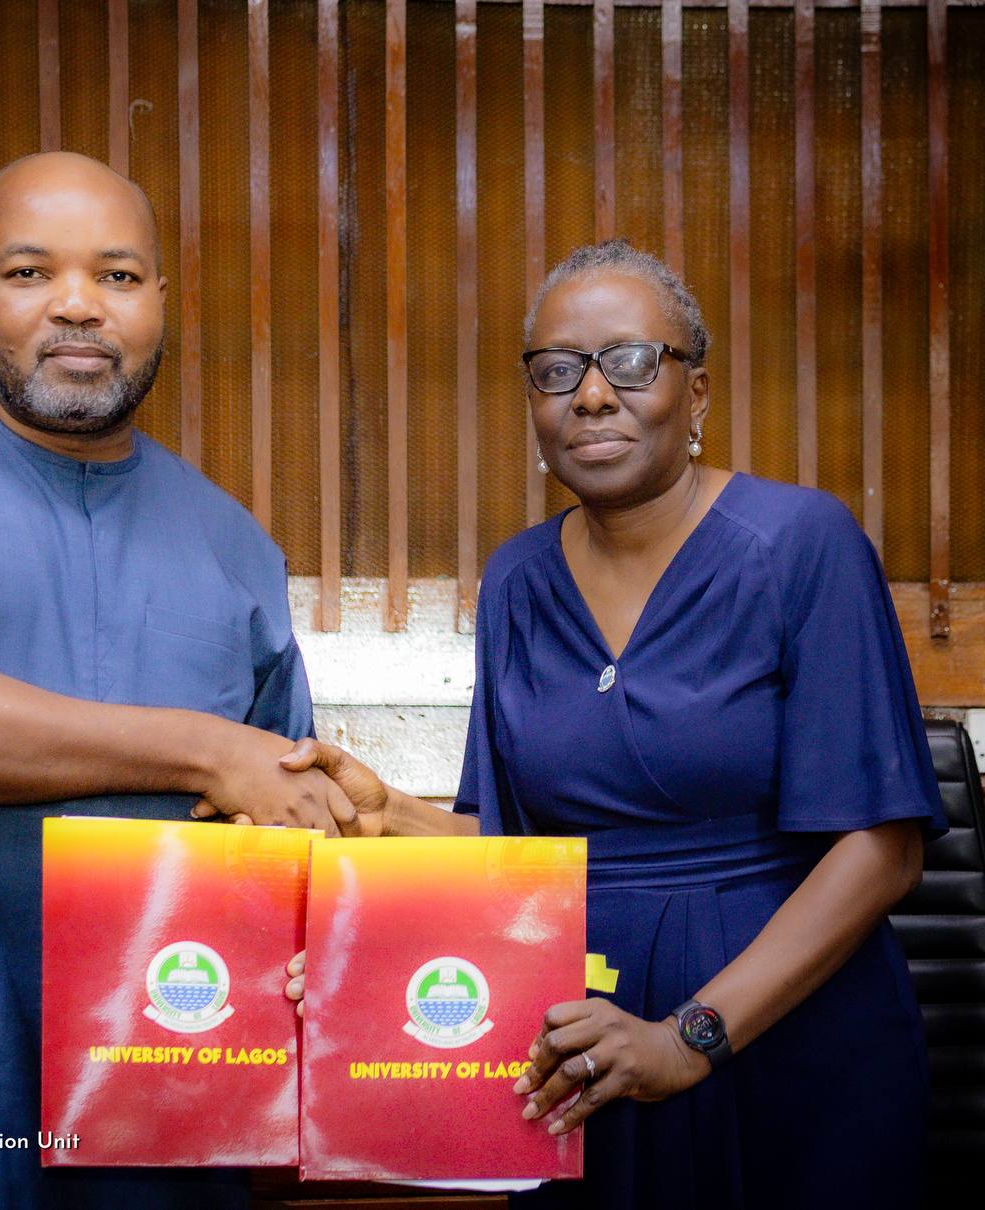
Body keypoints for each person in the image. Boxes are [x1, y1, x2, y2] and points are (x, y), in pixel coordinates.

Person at [269, 240, 943, 1208]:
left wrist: (687, 1039)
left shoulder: (800, 544)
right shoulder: (516, 579)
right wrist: (390, 819)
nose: (589, 395)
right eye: (556, 370)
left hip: (789, 1048)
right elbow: (514, 851)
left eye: (628, 362)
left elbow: (881, 849)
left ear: (695, 392)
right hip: (574, 1052)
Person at [0, 151, 358, 1209]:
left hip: (170, 1077)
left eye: (117, 276)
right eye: (30, 272)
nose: (79, 304)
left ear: (161, 299)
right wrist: (207, 747)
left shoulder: (233, 544)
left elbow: (280, 828)